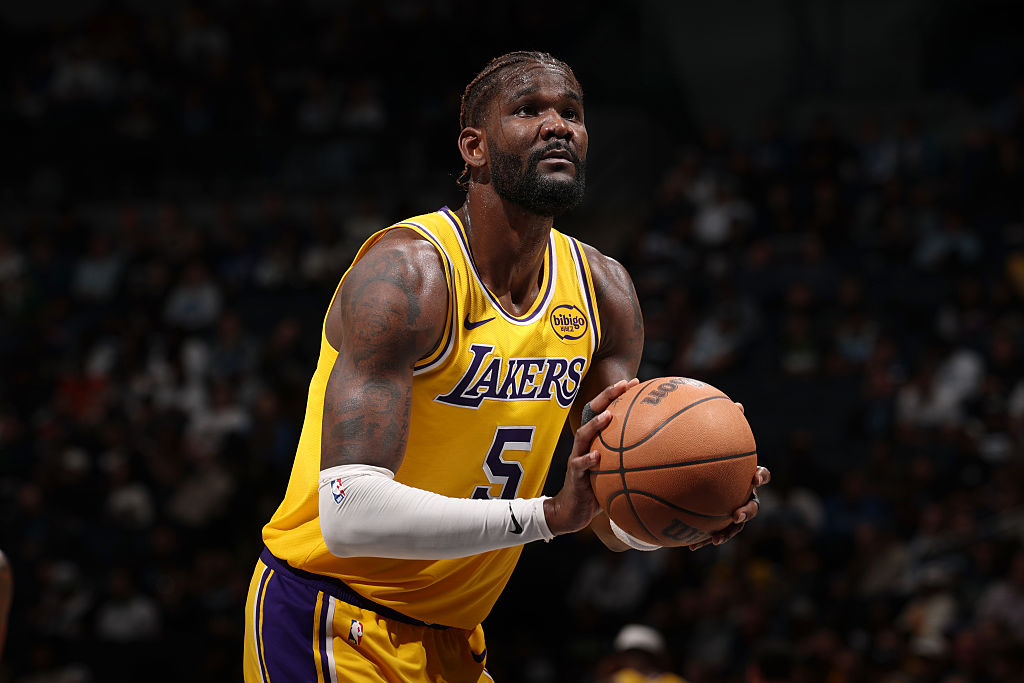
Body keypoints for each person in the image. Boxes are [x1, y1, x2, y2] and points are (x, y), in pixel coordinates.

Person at [243, 51, 770, 682]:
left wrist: (685, 518)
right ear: (474, 147)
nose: (558, 125)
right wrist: (547, 516)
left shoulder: (605, 295)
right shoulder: (407, 276)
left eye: (571, 112)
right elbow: (350, 511)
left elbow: (606, 513)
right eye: (529, 110)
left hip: (456, 639)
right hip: (329, 617)